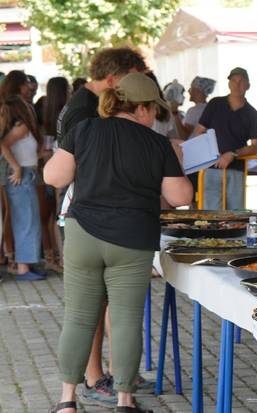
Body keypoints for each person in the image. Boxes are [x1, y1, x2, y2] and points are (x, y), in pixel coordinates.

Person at [45, 72, 192, 413]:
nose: (154, 116)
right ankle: (125, 401)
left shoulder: (84, 130)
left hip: (84, 233)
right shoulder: (156, 143)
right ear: (141, 109)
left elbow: (54, 177)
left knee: (79, 316)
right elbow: (179, 196)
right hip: (132, 238)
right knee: (125, 319)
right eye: (153, 110)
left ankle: (67, 400)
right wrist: (178, 165)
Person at [56, 46, 148, 409]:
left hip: (88, 216)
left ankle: (96, 382)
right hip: (88, 217)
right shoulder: (83, 111)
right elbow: (73, 167)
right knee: (90, 309)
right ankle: (95, 377)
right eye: (131, 80)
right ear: (113, 80)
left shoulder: (81, 103)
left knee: (96, 307)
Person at [192, 67, 257, 210]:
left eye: (241, 81)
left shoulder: (252, 113)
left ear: (248, 85)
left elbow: (256, 146)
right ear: (228, 84)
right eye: (233, 80)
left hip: (236, 170)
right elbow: (199, 131)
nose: (237, 84)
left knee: (236, 216)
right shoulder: (215, 104)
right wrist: (211, 154)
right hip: (210, 168)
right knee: (211, 216)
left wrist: (233, 154)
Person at [0, 92, 44, 281]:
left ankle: (26, 264)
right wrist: (17, 167)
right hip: (22, 176)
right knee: (26, 220)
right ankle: (23, 267)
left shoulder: (17, 126)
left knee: (27, 219)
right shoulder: (21, 125)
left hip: (26, 174)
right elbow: (4, 145)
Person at [40, 76, 71, 271]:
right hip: (65, 168)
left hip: (52, 168)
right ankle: (63, 258)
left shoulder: (47, 115)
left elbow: (46, 148)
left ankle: (59, 257)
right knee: (62, 214)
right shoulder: (68, 114)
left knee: (56, 215)